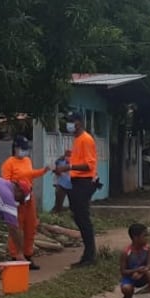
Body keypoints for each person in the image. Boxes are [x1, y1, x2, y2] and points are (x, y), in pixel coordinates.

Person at [1, 135, 51, 271]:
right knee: (17, 228)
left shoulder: (27, 160)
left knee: (31, 227)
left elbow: (31, 174)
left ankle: (28, 255)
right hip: (16, 200)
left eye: (25, 149)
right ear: (15, 148)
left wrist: (43, 171)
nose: (24, 152)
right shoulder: (9, 163)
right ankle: (16, 255)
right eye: (22, 149)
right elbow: (6, 182)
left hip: (29, 197)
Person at [55, 112, 98, 267]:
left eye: (71, 121)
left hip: (84, 181)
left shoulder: (86, 139)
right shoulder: (78, 140)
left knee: (82, 217)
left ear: (79, 122)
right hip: (76, 181)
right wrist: (68, 159)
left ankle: (90, 255)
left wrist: (69, 166)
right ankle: (88, 254)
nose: (69, 125)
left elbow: (89, 165)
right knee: (78, 216)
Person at [120, 223, 150, 298]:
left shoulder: (147, 248)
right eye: (144, 236)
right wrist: (135, 270)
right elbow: (123, 271)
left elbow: (149, 264)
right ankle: (128, 297)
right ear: (135, 237)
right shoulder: (126, 252)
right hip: (130, 277)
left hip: (143, 275)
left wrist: (142, 272)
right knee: (126, 288)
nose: (147, 238)